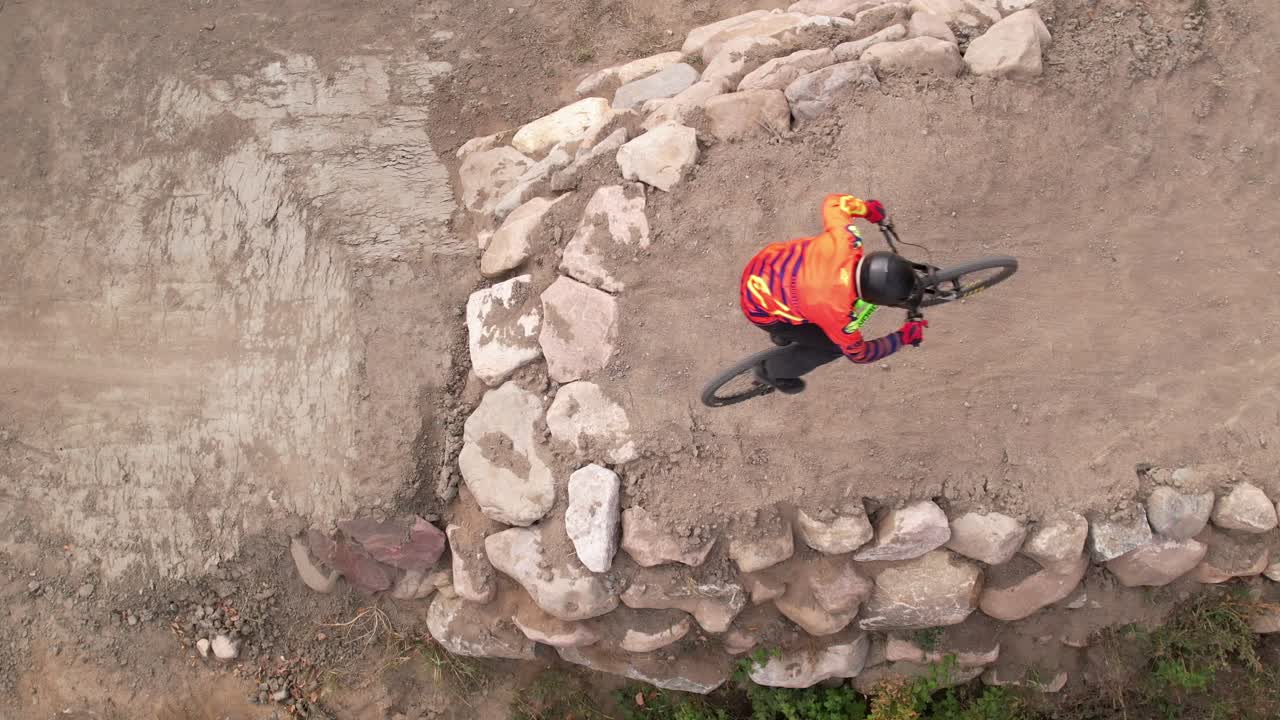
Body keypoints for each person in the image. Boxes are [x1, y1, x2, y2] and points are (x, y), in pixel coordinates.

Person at [738, 194, 929, 394]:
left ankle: (783, 335)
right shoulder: (838, 315)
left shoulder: (847, 239)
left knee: (805, 309)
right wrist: (902, 337)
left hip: (763, 266)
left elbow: (835, 203)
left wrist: (868, 209)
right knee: (832, 347)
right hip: (758, 307)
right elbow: (859, 354)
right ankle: (771, 371)